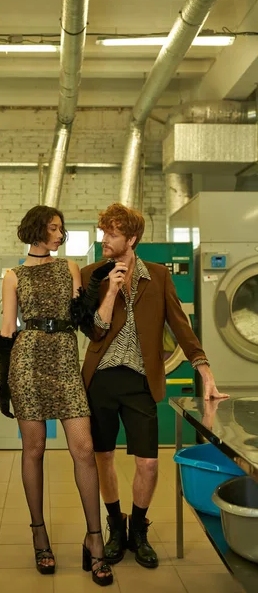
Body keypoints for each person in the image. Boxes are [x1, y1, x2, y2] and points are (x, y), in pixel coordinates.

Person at [80, 203, 228, 568]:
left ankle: (138, 531)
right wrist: (110, 290)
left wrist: (205, 372)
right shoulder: (91, 275)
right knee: (103, 457)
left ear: (131, 239)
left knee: (147, 462)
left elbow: (180, 326)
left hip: (141, 381)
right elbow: (94, 330)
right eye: (103, 233)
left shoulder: (158, 276)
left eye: (111, 234)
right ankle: (115, 525)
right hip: (100, 378)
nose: (104, 240)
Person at [0, 205, 113, 586]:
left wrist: (98, 290)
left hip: (62, 357)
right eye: (55, 229)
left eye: (61, 229)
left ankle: (94, 539)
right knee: (34, 449)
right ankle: (39, 534)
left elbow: (80, 315)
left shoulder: (68, 267)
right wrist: (4, 386)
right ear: (37, 230)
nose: (60, 235)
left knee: (84, 449)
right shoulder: (13, 276)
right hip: (26, 361)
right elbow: (9, 329)